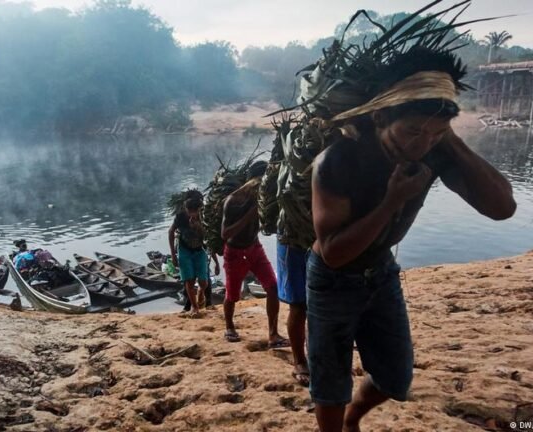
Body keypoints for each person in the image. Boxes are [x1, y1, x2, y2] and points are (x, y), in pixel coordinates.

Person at [305, 48, 517, 431]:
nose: (421, 145)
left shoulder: (435, 151)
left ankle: (353, 420)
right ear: (380, 117)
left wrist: (449, 140)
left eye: (434, 134)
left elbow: (502, 208)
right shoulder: (338, 162)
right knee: (330, 383)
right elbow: (334, 253)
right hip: (332, 280)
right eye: (413, 131)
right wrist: (392, 201)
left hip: (381, 273)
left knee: (396, 379)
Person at [220, 160, 288, 347]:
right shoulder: (233, 200)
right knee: (233, 294)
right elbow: (225, 234)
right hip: (234, 252)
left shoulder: (263, 198)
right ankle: (229, 327)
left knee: (273, 287)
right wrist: (249, 216)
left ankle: (273, 334)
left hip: (255, 248)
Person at [169, 197, 220, 316]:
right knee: (189, 280)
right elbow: (171, 232)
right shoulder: (180, 217)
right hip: (184, 250)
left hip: (199, 250)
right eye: (189, 210)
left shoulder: (204, 219)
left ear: (199, 210)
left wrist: (216, 262)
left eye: (194, 211)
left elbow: (209, 241)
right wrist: (173, 254)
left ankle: (201, 293)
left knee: (203, 282)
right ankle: (194, 307)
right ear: (186, 209)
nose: (192, 214)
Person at [276, 238, 310, 387]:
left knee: (323, 305)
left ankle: (320, 358)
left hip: (325, 241)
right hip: (294, 240)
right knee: (298, 305)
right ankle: (300, 361)